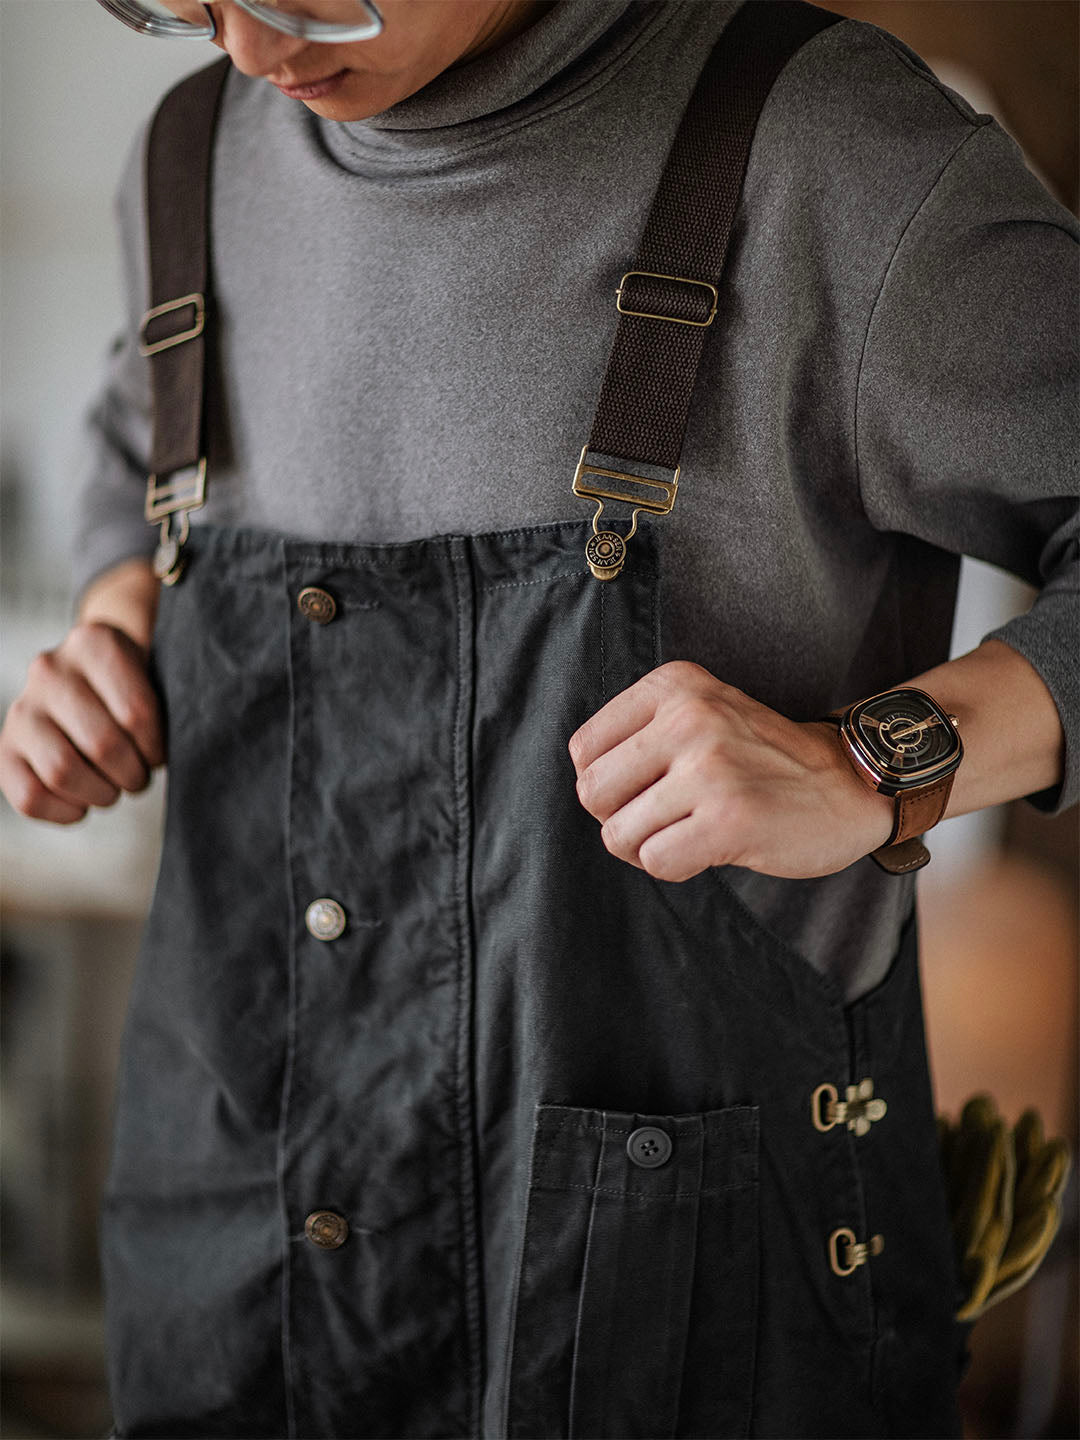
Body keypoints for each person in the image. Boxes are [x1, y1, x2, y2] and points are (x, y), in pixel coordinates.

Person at [1, 1, 1075, 1436]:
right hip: (235, 1287)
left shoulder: (834, 158)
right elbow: (134, 456)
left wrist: (877, 763)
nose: (253, 51)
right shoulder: (193, 153)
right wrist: (116, 625)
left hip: (676, 1321)